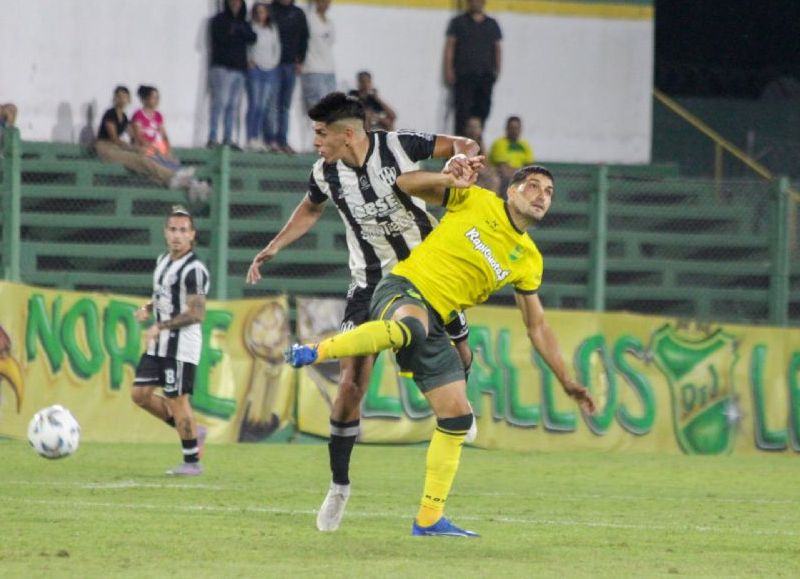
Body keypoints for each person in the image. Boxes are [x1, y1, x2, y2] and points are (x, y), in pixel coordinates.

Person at [286, 162, 597, 536]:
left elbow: (538, 326)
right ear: (511, 191)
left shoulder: (529, 259)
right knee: (411, 329)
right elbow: (404, 182)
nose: (541, 196)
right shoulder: (476, 200)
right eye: (532, 186)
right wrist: (448, 179)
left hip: (438, 319)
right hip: (402, 289)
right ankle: (316, 352)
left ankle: (429, 519)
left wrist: (566, 380)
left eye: (548, 192)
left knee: (456, 418)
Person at [245, 92, 480, 532]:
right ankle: (339, 486)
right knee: (351, 383)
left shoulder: (399, 146)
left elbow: (463, 143)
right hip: (368, 287)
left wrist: (459, 163)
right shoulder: (325, 172)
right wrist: (273, 246)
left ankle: (459, 412)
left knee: (462, 358)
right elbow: (310, 208)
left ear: (347, 133)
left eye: (320, 133)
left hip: (427, 275)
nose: (315, 141)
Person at [132, 206, 211, 476]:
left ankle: (192, 462)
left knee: (177, 399)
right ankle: (193, 431)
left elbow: (197, 313)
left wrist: (160, 325)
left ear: (192, 235)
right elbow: (163, 294)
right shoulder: (163, 261)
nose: (177, 235)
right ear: (166, 233)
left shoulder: (195, 269)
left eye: (183, 230)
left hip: (181, 346)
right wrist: (147, 307)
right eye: (173, 229)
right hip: (159, 342)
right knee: (139, 394)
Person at [95, 87, 210, 202]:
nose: (122, 99)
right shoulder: (110, 114)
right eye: (119, 96)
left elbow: (131, 135)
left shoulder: (124, 117)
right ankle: (177, 177)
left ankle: (188, 182)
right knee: (142, 160)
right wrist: (135, 147)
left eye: (125, 97)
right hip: (106, 147)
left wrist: (140, 146)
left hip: (119, 147)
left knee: (154, 158)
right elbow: (115, 138)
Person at [130, 86, 211, 201]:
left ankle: (193, 184)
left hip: (156, 147)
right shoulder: (138, 115)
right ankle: (191, 183)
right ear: (146, 99)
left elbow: (164, 135)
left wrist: (167, 149)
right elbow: (139, 137)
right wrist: (155, 148)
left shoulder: (158, 116)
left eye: (158, 97)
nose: (157, 100)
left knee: (170, 159)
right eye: (154, 97)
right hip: (143, 147)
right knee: (162, 161)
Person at [444, 0, 502, 135]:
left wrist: (497, 69)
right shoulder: (458, 22)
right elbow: (450, 46)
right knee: (462, 113)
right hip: (464, 75)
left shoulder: (492, 24)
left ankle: (477, 145)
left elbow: (497, 47)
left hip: (485, 75)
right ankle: (459, 146)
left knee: (483, 111)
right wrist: (448, 69)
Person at [208, 0, 257, 149]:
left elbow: (252, 37)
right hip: (222, 68)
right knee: (220, 103)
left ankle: (228, 138)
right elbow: (221, 38)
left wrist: (237, 31)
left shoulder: (243, 22)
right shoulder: (219, 19)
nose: (235, 4)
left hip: (239, 69)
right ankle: (213, 137)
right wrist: (236, 32)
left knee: (233, 106)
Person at [267, 0, 309, 154]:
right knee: (272, 104)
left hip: (290, 64)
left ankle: (282, 140)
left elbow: (304, 37)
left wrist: (301, 60)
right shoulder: (270, 10)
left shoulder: (298, 13)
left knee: (285, 105)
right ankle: (270, 139)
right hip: (273, 64)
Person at [245, 1, 281, 151]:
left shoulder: (272, 29)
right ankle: (251, 137)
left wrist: (273, 64)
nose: (261, 15)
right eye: (258, 12)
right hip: (256, 69)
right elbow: (247, 46)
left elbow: (277, 48)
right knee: (255, 105)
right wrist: (250, 60)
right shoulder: (251, 27)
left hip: (269, 70)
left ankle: (259, 137)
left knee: (264, 106)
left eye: (263, 12)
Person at [301, 0, 336, 113]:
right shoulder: (309, 19)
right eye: (323, 1)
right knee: (317, 110)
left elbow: (330, 43)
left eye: (328, 1)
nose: (326, 4)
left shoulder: (329, 22)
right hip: (312, 69)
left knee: (331, 109)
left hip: (329, 70)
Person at [489, 115, 534, 189]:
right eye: (512, 128)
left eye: (516, 128)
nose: (514, 131)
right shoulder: (499, 143)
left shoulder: (525, 145)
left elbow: (530, 167)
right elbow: (504, 169)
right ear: (506, 128)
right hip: (504, 179)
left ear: (521, 129)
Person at [462, 115, 500, 191]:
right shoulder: (461, 143)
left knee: (495, 179)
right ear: (466, 129)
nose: (473, 130)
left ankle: (490, 201)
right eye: (470, 127)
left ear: (480, 130)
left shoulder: (480, 145)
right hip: (463, 175)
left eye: (475, 127)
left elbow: (486, 163)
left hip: (478, 175)